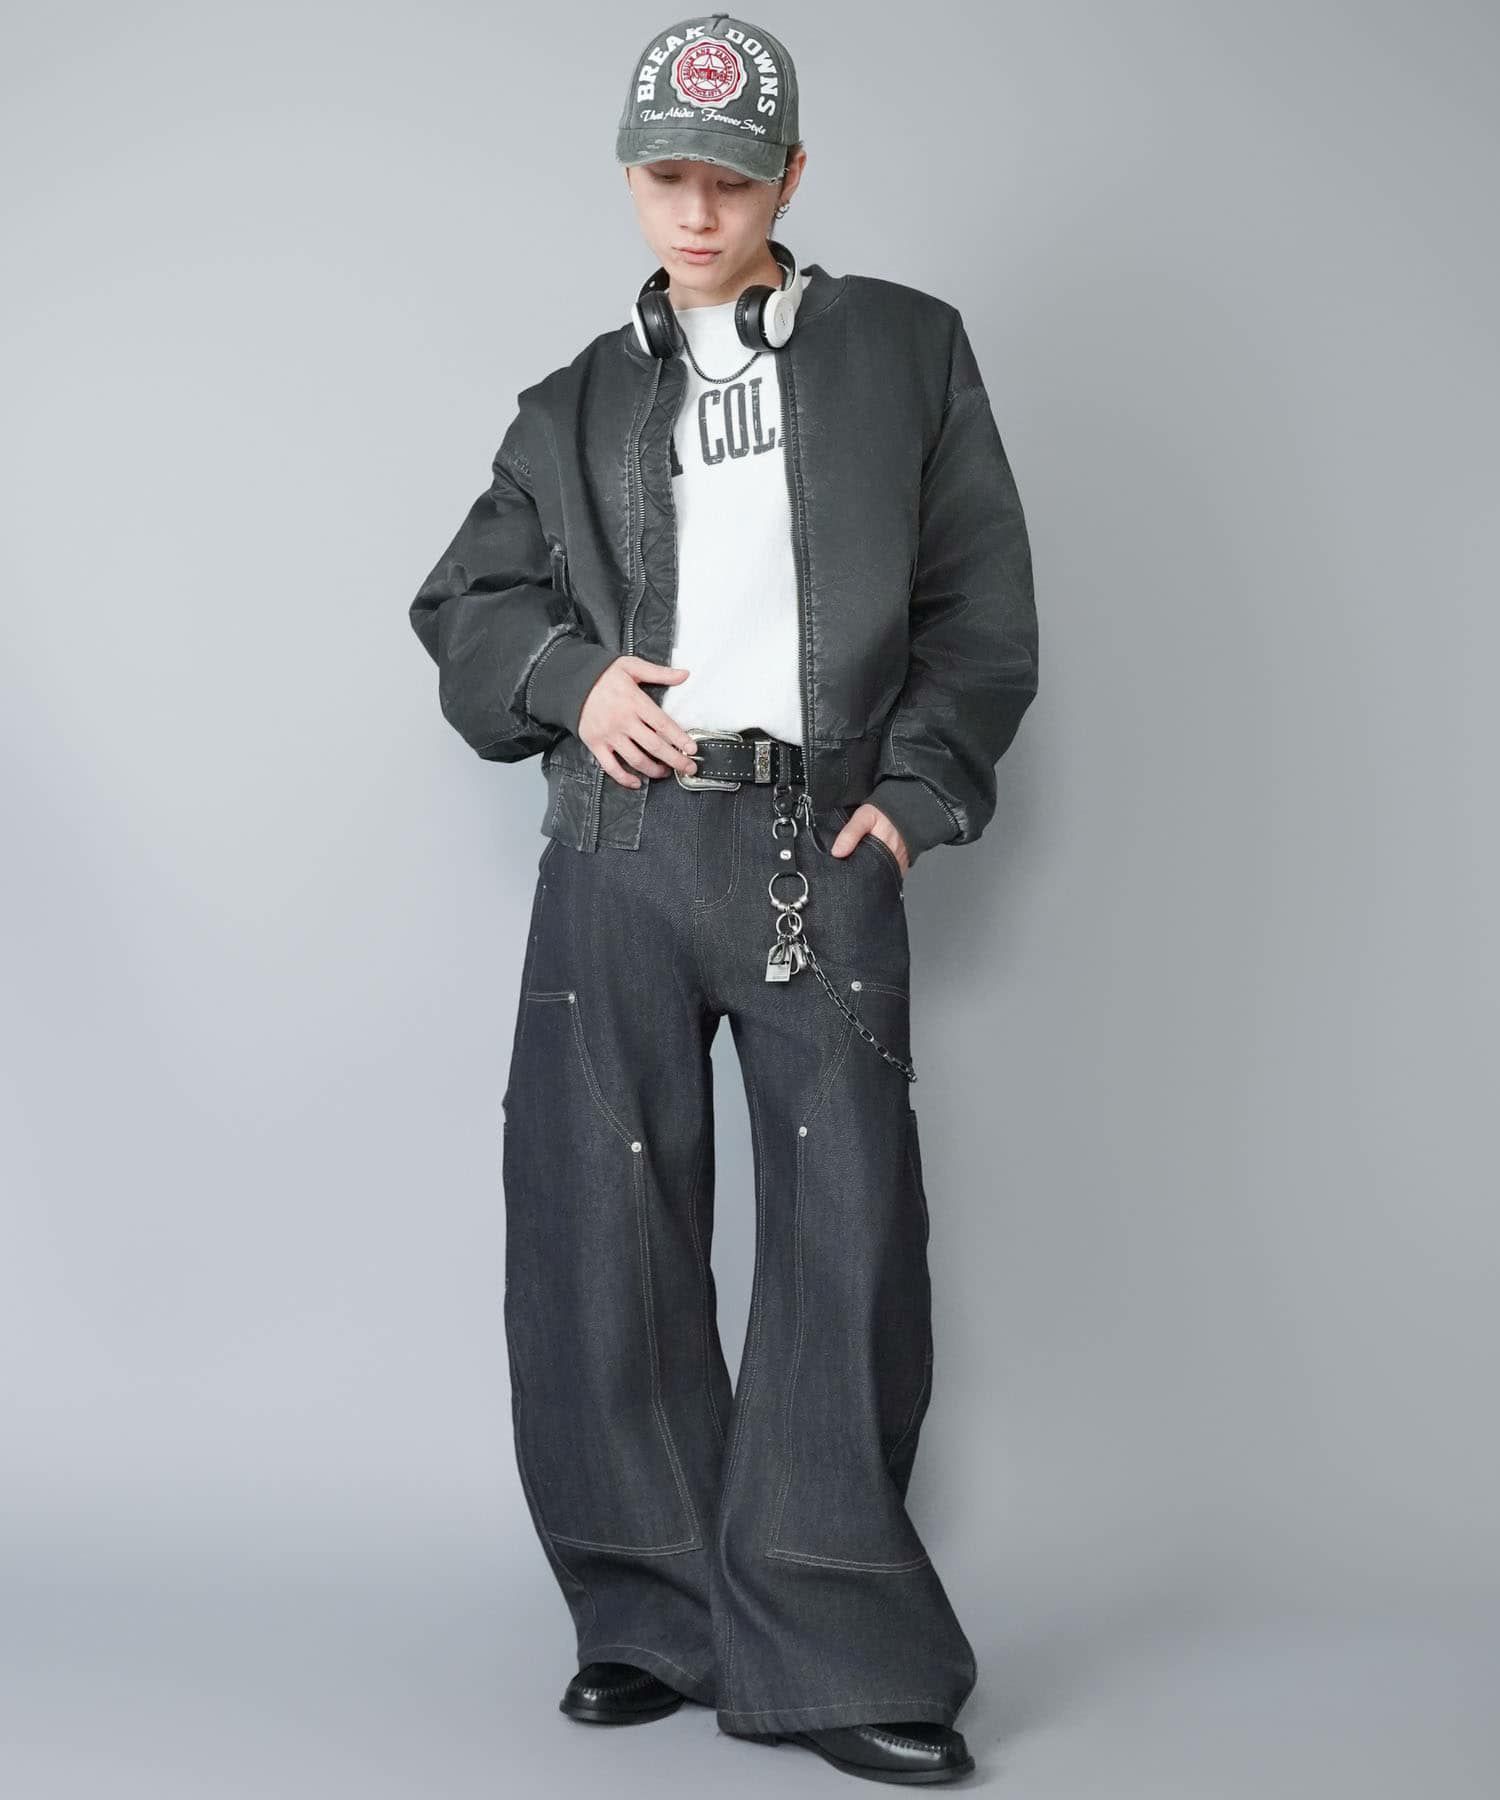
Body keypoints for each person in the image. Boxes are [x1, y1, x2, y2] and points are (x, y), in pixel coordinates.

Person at [408, 13, 1038, 1785]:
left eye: (733, 181)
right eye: (667, 178)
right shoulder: (568, 404)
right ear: (631, 177)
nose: (697, 213)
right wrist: (568, 681)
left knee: (848, 1241)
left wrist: (912, 802)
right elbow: (463, 605)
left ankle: (836, 1643)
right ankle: (648, 1613)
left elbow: (981, 607)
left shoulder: (906, 352)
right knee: (594, 1229)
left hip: (815, 844)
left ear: (792, 178)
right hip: (617, 847)